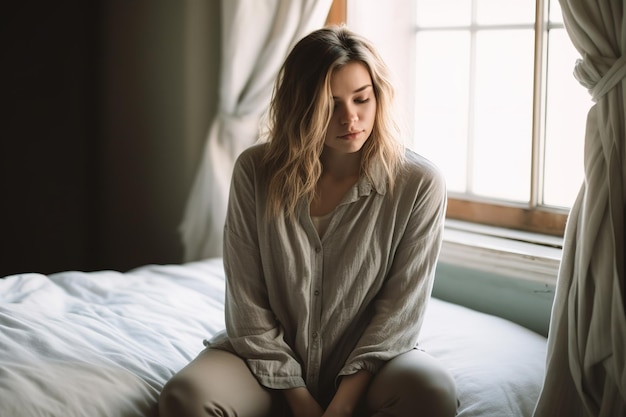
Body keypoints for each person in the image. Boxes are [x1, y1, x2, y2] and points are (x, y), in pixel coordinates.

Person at [158, 26, 457, 417]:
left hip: (371, 368)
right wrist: (298, 398)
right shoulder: (255, 170)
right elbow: (247, 303)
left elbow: (399, 312)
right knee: (185, 398)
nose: (350, 117)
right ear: (301, 106)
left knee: (431, 391)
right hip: (261, 363)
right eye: (330, 104)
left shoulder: (419, 184)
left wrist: (343, 404)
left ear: (378, 96)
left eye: (361, 99)